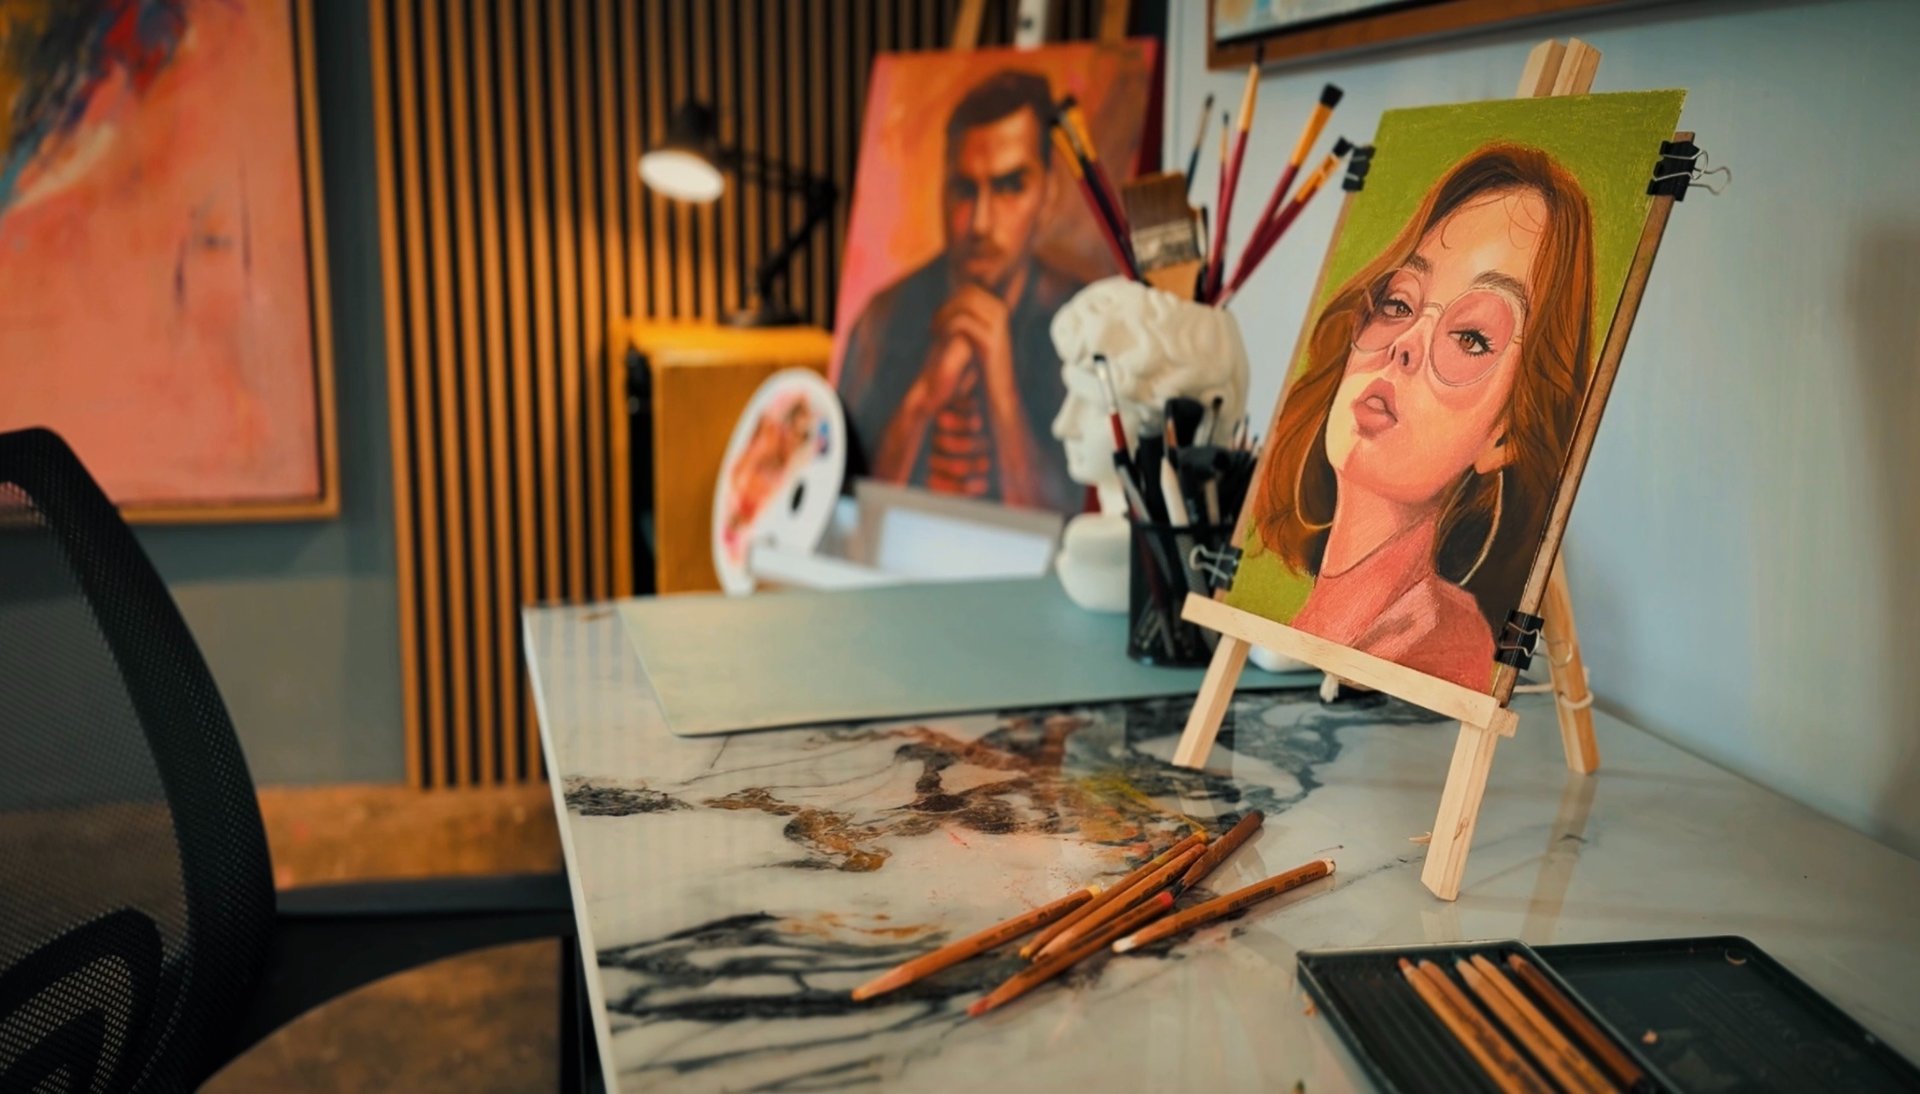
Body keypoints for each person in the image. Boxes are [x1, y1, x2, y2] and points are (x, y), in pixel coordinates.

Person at [1251, 144, 1597, 691]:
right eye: (1398, 302)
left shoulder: (1449, 642)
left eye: (1471, 336)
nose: (1406, 343)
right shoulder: (1303, 611)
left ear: (1505, 433)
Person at [836, 69, 1086, 512]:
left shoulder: (1081, 321)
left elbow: (1066, 526)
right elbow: (846, 507)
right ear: (941, 191)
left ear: (1048, 195)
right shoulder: (883, 317)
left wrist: (1002, 391)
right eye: (964, 189)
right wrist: (922, 397)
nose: (981, 223)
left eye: (1011, 187)